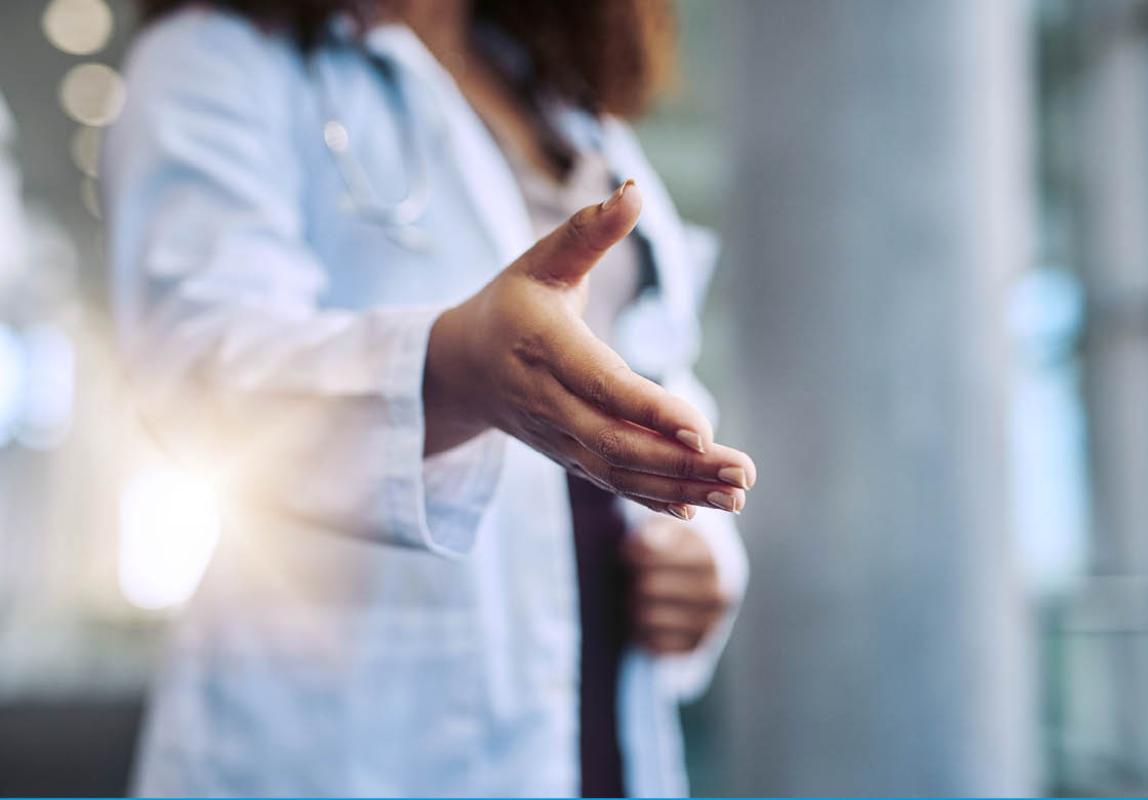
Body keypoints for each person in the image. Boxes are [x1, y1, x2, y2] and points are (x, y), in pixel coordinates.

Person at [103, 0, 755, 795]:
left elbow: (654, 360)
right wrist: (444, 371)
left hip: (599, 698)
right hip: (360, 740)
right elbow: (201, 370)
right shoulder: (216, 57)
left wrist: (700, 554)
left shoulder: (551, 95)